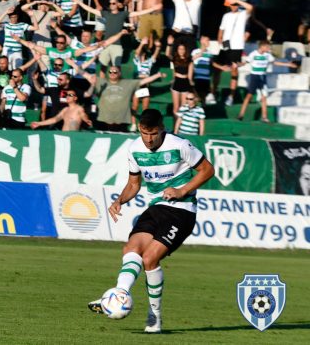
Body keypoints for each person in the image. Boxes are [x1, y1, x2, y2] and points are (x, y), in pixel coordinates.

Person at [88, 108, 215, 334]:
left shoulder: (180, 145)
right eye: (144, 133)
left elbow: (208, 170)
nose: (148, 139)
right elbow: (134, 184)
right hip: (156, 208)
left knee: (149, 259)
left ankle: (154, 317)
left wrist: (182, 190)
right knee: (131, 248)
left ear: (162, 129)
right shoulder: (134, 149)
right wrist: (120, 200)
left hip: (182, 211)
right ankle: (119, 294)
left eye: (153, 134)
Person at [237, 41, 297, 122]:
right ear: (262, 47)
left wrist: (288, 64)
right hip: (254, 77)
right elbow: (245, 62)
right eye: (267, 47)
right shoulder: (253, 54)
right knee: (249, 96)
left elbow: (275, 62)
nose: (269, 48)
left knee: (264, 97)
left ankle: (264, 117)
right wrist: (238, 64)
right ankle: (241, 115)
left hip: (263, 77)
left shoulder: (268, 55)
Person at [93, 66, 165, 132]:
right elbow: (88, 77)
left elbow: (143, 81)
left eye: (115, 72)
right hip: (103, 121)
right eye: (110, 72)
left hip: (121, 122)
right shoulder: (102, 82)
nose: (112, 73)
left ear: (119, 73)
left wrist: (157, 75)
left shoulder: (127, 83)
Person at [216, 0, 253, 106]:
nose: (234, 6)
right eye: (232, 4)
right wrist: (219, 38)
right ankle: (213, 93)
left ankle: (231, 96)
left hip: (237, 46)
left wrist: (237, 1)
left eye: (235, 4)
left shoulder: (243, 14)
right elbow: (221, 29)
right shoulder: (226, 16)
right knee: (218, 69)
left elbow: (250, 7)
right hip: (226, 45)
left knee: (234, 70)